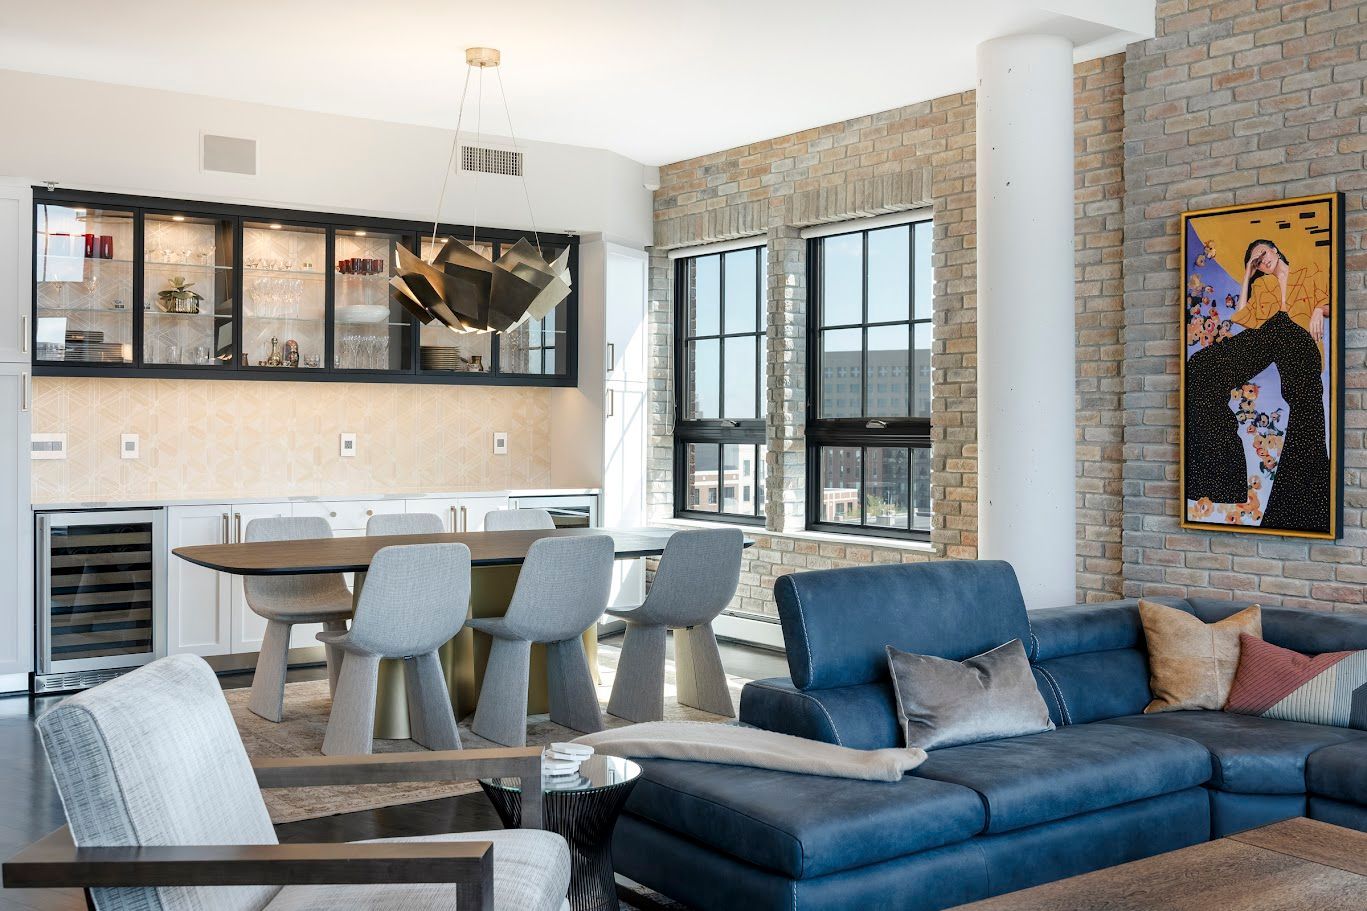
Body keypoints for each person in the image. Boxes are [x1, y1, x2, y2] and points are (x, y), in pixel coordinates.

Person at [1184, 239, 1330, 531]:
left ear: (1275, 249)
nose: (1260, 261)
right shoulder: (1264, 287)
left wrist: (1318, 309)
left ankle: (1305, 507)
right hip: (1272, 337)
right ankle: (1219, 480)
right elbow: (1243, 319)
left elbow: (1334, 299)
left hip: (1300, 343)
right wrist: (1249, 277)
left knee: (1303, 398)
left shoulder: (1311, 271)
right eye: (1254, 260)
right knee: (1199, 368)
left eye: (1262, 254)